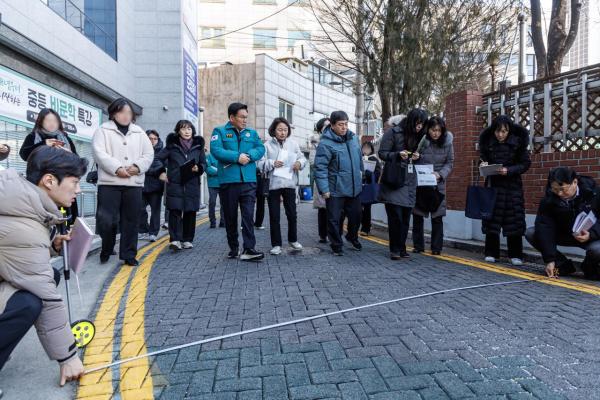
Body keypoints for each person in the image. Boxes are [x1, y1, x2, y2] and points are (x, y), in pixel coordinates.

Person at [0, 146, 87, 392]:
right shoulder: (23, 226)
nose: (78, 190)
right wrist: (68, 358)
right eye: (74, 182)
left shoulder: (18, 203)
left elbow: (13, 254)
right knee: (31, 301)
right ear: (49, 180)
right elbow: (47, 295)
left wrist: (51, 246)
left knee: (48, 277)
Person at [92, 98, 154, 266]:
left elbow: (148, 154)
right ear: (113, 113)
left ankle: (128, 254)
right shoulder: (103, 130)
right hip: (109, 183)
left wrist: (137, 167)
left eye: (128, 112)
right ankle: (107, 247)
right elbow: (99, 153)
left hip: (133, 184)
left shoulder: (139, 132)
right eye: (121, 112)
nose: (125, 116)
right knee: (107, 220)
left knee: (131, 220)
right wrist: (117, 168)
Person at [210, 102, 266, 261]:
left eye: (246, 117)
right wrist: (236, 157)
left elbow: (261, 148)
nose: (245, 120)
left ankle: (249, 248)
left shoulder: (251, 133)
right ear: (232, 117)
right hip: (229, 181)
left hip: (248, 181)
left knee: (248, 216)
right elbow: (216, 150)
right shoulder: (219, 131)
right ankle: (234, 247)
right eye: (242, 117)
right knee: (230, 216)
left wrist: (249, 155)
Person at [526, 167, 600, 279]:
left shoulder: (594, 194)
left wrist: (592, 234)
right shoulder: (548, 200)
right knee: (531, 232)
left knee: (597, 249)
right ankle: (562, 266)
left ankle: (590, 268)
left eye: (563, 189)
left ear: (575, 182)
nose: (560, 194)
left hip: (589, 236)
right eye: (555, 190)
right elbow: (544, 227)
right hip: (564, 235)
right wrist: (550, 260)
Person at [479, 115, 531, 265]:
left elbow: (525, 164)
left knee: (514, 219)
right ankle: (491, 252)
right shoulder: (488, 142)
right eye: (497, 131)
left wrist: (509, 170)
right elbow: (482, 159)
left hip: (512, 187)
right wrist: (483, 165)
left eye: (504, 131)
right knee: (491, 220)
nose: (500, 134)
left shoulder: (518, 142)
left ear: (509, 130)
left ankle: (515, 255)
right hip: (493, 186)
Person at [378, 109, 427, 260]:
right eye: (417, 123)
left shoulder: (421, 136)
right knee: (396, 217)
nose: (419, 127)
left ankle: (402, 248)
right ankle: (395, 249)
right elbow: (382, 153)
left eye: (422, 124)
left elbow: (424, 155)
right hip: (394, 179)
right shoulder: (393, 132)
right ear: (411, 120)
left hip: (411, 179)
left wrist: (419, 156)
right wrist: (397, 155)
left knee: (406, 217)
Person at [314, 111, 363, 256]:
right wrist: (324, 189)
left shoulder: (353, 139)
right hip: (334, 189)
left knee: (356, 216)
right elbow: (320, 167)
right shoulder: (325, 143)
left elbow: (359, 159)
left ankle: (351, 236)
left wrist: (361, 176)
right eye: (341, 124)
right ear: (332, 125)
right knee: (334, 219)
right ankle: (336, 244)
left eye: (346, 124)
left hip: (354, 187)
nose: (344, 127)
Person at [20, 108, 79, 224]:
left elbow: (77, 160)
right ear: (41, 122)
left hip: (62, 182)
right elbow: (24, 154)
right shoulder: (33, 136)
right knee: (43, 216)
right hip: (40, 184)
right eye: (48, 120)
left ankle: (63, 233)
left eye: (55, 121)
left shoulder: (65, 138)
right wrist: (43, 144)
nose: (52, 124)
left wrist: (68, 153)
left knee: (65, 217)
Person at [259, 117, 307, 255]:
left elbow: (302, 158)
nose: (283, 132)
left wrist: (300, 164)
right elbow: (260, 164)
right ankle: (276, 244)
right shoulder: (266, 145)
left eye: (285, 130)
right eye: (280, 129)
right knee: (274, 216)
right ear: (273, 130)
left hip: (289, 184)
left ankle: (293, 239)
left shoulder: (293, 144)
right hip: (273, 185)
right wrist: (272, 163)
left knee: (292, 214)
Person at [158, 120, 206, 251]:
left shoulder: (198, 147)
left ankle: (187, 239)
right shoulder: (171, 146)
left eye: (189, 129)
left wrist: (199, 168)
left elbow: (204, 163)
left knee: (190, 213)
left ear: (193, 131)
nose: (187, 131)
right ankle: (175, 239)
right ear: (178, 130)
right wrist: (161, 172)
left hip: (192, 185)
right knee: (175, 212)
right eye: (183, 129)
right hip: (175, 184)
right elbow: (157, 159)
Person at [412, 116, 454, 255]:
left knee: (437, 217)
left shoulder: (448, 143)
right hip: (421, 183)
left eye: (438, 130)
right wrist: (415, 158)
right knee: (418, 215)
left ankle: (436, 248)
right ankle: (418, 246)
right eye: (432, 130)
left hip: (438, 184)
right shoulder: (422, 141)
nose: (435, 133)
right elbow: (413, 160)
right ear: (428, 129)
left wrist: (440, 174)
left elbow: (450, 163)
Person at [139, 130, 165, 242]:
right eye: (150, 138)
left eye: (155, 139)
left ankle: (153, 232)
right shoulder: (139, 150)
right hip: (141, 185)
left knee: (155, 211)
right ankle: (144, 229)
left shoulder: (162, 152)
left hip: (156, 187)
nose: (153, 141)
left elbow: (162, 168)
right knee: (139, 209)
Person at [310, 117, 330, 243]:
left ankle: (333, 233)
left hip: (335, 179)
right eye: (326, 126)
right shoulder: (315, 143)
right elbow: (313, 162)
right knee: (323, 208)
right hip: (322, 178)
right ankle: (323, 234)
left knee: (334, 207)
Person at [359, 141, 381, 236]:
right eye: (364, 147)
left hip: (368, 186)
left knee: (367, 208)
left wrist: (370, 174)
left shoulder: (374, 159)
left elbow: (377, 173)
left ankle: (365, 228)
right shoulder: (359, 158)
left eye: (368, 148)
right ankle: (361, 225)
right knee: (358, 208)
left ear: (371, 149)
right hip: (358, 186)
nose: (366, 150)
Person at [205, 149, 224, 228]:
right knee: (212, 203)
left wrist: (215, 169)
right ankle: (212, 221)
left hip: (223, 183)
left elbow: (227, 169)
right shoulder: (208, 156)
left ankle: (223, 222)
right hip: (212, 184)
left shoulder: (223, 156)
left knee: (224, 204)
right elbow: (208, 170)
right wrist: (220, 171)